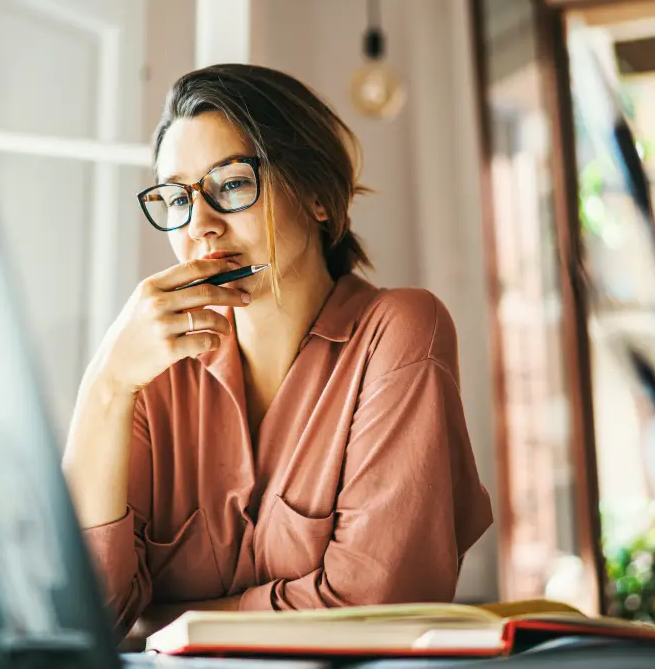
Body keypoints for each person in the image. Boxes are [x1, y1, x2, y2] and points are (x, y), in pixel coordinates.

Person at [62, 64, 492, 638]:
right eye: (177, 197)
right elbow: (86, 618)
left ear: (316, 195)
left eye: (232, 184)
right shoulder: (151, 371)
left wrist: (164, 620)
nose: (201, 226)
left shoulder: (400, 331)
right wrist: (106, 386)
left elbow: (374, 605)